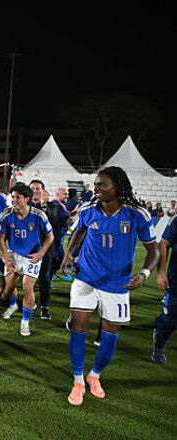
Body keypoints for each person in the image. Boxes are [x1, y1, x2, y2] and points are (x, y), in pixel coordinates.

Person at [60, 166, 159, 406]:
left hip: (117, 285)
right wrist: (68, 255)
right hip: (86, 279)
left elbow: (154, 251)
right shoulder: (88, 209)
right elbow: (79, 232)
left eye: (102, 184)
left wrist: (144, 274)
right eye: (95, 184)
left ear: (118, 187)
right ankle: (78, 381)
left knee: (110, 337)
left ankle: (94, 375)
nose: (96, 188)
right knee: (79, 328)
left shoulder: (137, 215)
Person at [0, 182, 54, 336]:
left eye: (18, 197)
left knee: (28, 286)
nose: (14, 200)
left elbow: (50, 237)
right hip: (13, 255)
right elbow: (1, 239)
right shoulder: (5, 215)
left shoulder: (39, 215)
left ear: (27, 199)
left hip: (32, 256)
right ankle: (13, 305)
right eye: (13, 197)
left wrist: (40, 254)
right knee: (9, 288)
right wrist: (7, 260)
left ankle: (25, 323)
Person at [29, 181, 70, 320]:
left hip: (46, 248)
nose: (35, 191)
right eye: (33, 189)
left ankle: (44, 308)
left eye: (38, 189)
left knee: (44, 278)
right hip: (28, 248)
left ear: (43, 191)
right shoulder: (25, 205)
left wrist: (43, 205)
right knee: (27, 278)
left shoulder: (52, 206)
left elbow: (51, 219)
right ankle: (26, 302)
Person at [153, 215, 177, 363]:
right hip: (175, 280)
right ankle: (159, 345)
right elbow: (164, 243)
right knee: (170, 320)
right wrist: (161, 272)